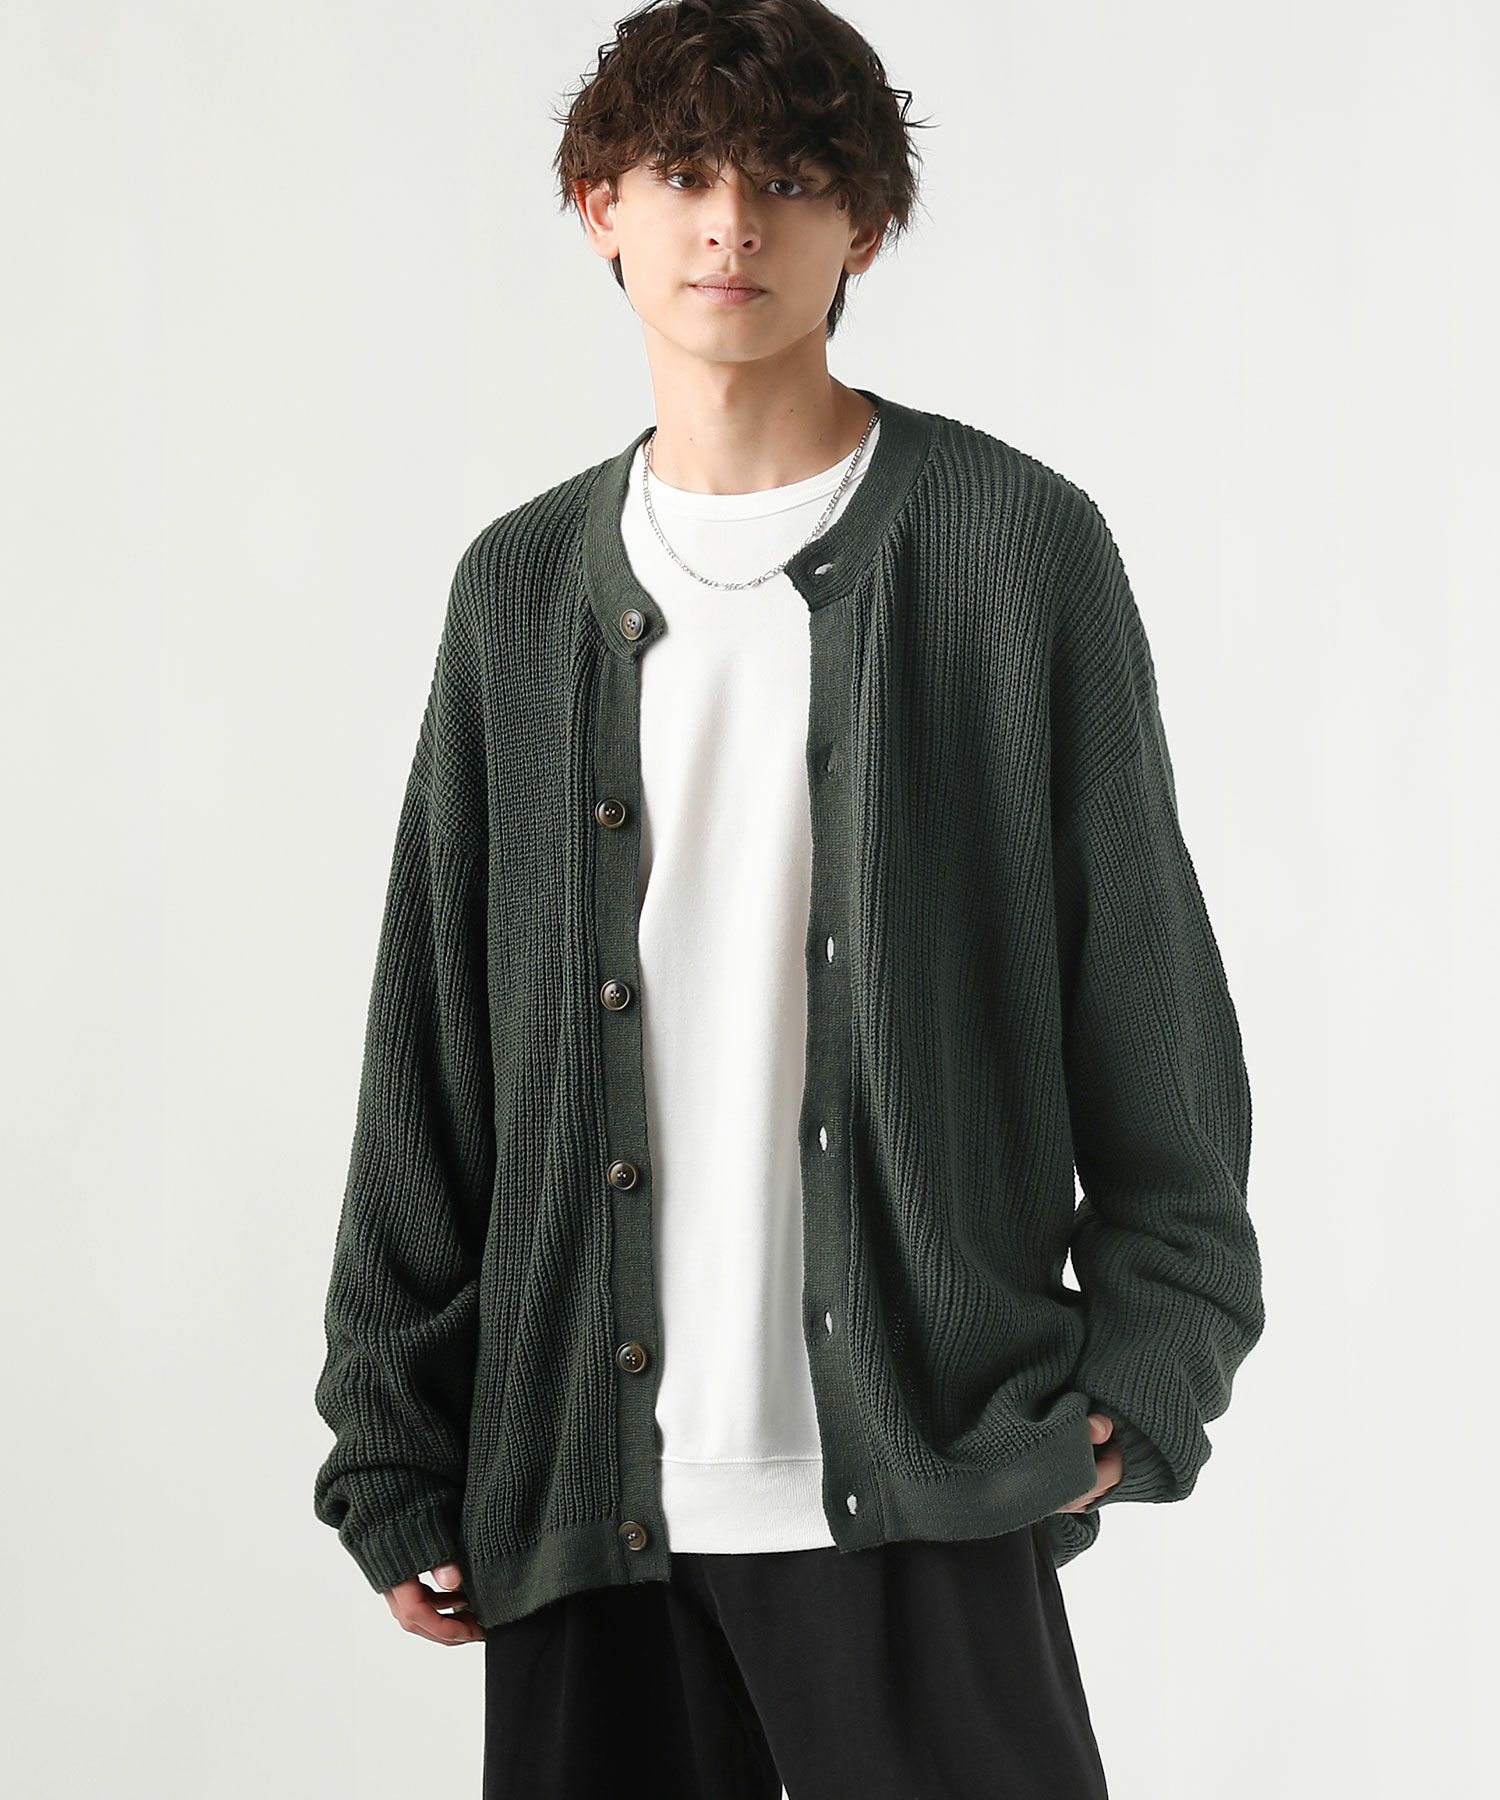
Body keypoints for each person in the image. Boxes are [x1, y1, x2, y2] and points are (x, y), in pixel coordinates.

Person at [312, 2, 1265, 1794]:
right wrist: (392, 1429)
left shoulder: (1012, 548)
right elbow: (431, 1037)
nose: (732, 223)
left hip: (927, 1468)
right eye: (683, 174)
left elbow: (1142, 985)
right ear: (600, 207)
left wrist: (1157, 1354)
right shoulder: (519, 592)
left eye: (789, 178)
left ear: (865, 226)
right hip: (585, 1500)